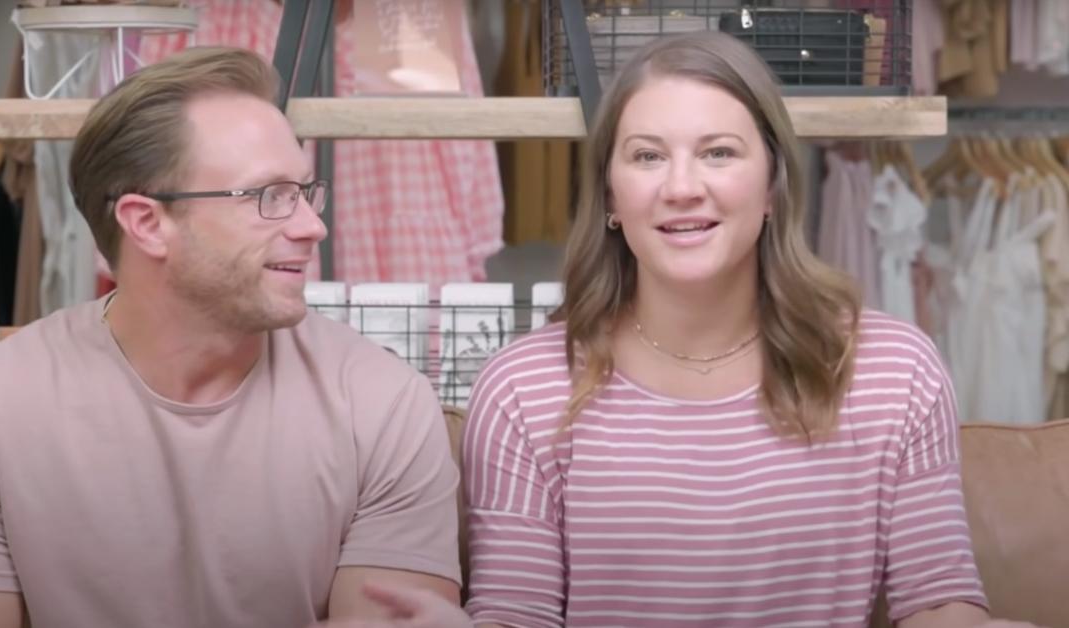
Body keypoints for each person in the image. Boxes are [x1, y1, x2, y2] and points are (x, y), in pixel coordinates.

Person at [318, 31, 1045, 628]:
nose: (681, 186)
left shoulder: (893, 368)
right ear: (610, 194)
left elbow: (939, 605)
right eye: (646, 155)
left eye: (719, 152)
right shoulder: (525, 388)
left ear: (772, 188)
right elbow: (518, 614)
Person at [0, 47, 461, 628]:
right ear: (147, 223)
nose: (313, 226)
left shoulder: (384, 404)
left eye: (306, 191)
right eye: (270, 196)